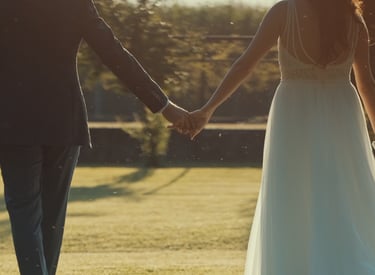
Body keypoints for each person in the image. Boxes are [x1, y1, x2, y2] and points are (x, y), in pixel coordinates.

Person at [175, 0, 375, 273]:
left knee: (292, 193)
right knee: (342, 189)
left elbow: (246, 64)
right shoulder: (354, 20)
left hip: (294, 111)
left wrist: (208, 109)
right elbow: (366, 85)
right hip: (341, 112)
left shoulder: (284, 11)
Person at [0, 0, 189, 274]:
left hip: (13, 122)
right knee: (52, 218)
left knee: (25, 214)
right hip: (63, 120)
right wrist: (163, 106)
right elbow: (114, 53)